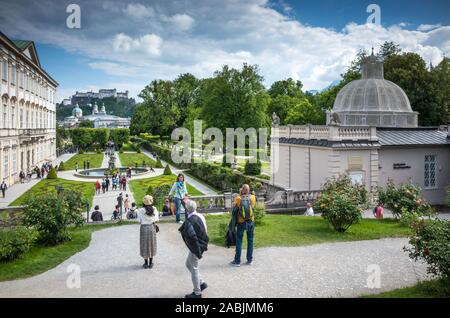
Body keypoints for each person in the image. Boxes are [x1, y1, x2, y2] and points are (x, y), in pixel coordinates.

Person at [179, 200, 209, 298]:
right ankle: (201, 283)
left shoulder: (189, 220)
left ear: (187, 209)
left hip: (197, 246)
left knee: (194, 267)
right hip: (201, 243)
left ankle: (197, 292)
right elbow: (205, 229)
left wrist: (197, 250)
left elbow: (191, 237)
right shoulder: (200, 216)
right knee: (188, 264)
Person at [230, 184, 256, 267]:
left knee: (239, 241)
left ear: (242, 190)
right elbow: (253, 206)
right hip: (251, 222)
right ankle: (249, 260)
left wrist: (240, 194)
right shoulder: (253, 197)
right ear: (249, 190)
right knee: (250, 240)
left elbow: (234, 208)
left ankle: (237, 261)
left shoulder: (238, 198)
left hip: (241, 222)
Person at [137, 195, 159, 269]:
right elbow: (157, 220)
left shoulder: (140, 211)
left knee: (144, 244)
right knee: (151, 244)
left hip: (143, 228)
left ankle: (146, 263)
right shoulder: (154, 209)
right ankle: (151, 263)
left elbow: (139, 221)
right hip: (152, 228)